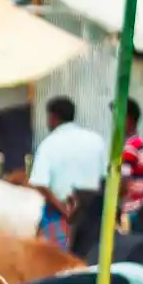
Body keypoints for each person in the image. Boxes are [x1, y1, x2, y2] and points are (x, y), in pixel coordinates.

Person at [27, 96, 107, 247]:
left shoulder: (49, 143)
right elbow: (105, 178)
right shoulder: (96, 140)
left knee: (56, 263)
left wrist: (63, 209)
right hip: (93, 217)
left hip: (60, 217)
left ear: (53, 117)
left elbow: (40, 184)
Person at [117, 98, 143, 222]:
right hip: (140, 206)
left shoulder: (130, 147)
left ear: (129, 120)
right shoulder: (140, 144)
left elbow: (123, 184)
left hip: (128, 210)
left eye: (119, 117)